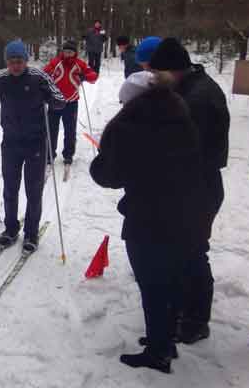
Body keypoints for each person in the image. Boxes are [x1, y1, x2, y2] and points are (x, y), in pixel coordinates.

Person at [90, 70, 208, 373]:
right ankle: (164, 339)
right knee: (170, 280)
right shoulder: (179, 111)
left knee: (152, 284)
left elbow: (109, 175)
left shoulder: (130, 126)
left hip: (149, 214)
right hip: (187, 209)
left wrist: (99, 160)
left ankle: (158, 352)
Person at [149, 38, 230, 344]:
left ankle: (196, 320)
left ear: (174, 70)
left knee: (192, 250)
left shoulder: (198, 99)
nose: (155, 78)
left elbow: (184, 148)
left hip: (198, 186)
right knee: (183, 249)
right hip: (192, 183)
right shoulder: (189, 87)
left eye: (158, 72)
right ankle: (184, 305)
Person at [0, 40, 66, 252]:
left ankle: (31, 234)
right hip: (11, 144)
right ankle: (10, 229)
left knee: (33, 190)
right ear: (7, 62)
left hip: (36, 143)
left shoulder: (39, 78)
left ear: (26, 60)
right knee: (10, 189)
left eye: (19, 61)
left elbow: (61, 99)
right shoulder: (1, 80)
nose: (16, 66)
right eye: (12, 62)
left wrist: (50, 98)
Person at [43, 40, 98, 165]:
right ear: (62, 52)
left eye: (70, 52)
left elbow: (94, 76)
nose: (68, 54)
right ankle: (49, 154)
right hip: (55, 101)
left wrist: (84, 76)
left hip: (71, 103)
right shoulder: (56, 62)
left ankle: (68, 154)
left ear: (75, 53)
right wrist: (43, 86)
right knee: (51, 129)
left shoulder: (79, 64)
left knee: (70, 130)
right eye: (66, 51)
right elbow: (44, 74)